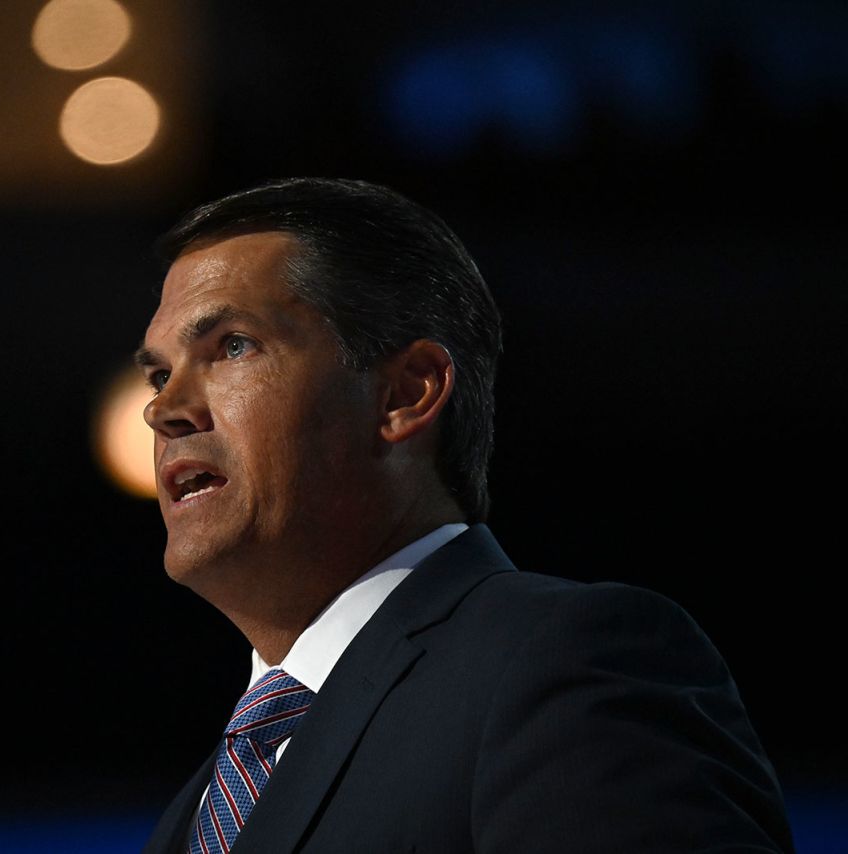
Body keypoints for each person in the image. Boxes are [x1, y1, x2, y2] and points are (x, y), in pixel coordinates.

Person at [135, 178, 794, 854]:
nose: (163, 409)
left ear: (405, 393)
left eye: (234, 345)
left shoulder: (568, 664)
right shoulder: (194, 813)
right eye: (158, 376)